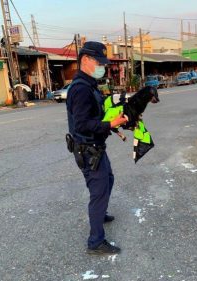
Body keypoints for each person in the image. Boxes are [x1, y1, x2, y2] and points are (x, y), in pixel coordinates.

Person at [66, 41, 127, 255]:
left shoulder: (89, 85)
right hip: (88, 149)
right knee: (98, 192)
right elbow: (82, 123)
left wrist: (114, 126)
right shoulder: (81, 89)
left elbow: (96, 116)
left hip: (95, 146)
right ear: (85, 60)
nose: (102, 66)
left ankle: (100, 215)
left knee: (108, 179)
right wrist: (110, 124)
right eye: (99, 62)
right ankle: (95, 242)